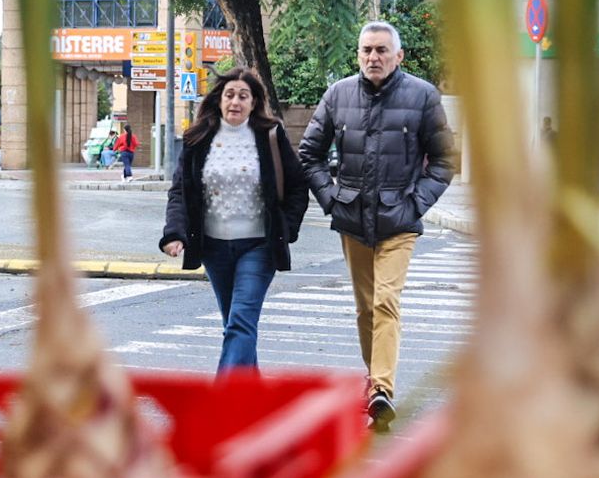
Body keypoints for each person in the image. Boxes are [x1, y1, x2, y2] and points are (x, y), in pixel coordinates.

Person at [299, 21, 457, 430]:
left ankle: (382, 389)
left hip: (398, 221)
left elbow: (444, 161)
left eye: (382, 50)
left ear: (398, 56)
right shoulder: (338, 95)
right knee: (365, 309)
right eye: (367, 50)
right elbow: (309, 155)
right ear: (358, 54)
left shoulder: (422, 96)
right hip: (352, 219)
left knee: (387, 302)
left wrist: (416, 203)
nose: (373, 57)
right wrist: (331, 200)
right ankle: (375, 386)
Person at [160, 69, 308, 376]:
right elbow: (180, 191)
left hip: (259, 246)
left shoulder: (270, 136)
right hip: (214, 248)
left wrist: (286, 229)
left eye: (243, 96)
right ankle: (251, 403)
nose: (235, 102)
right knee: (237, 326)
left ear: (254, 102)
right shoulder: (197, 138)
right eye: (230, 95)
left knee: (240, 322)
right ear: (218, 99)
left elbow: (297, 186)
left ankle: (221, 403)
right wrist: (174, 233)